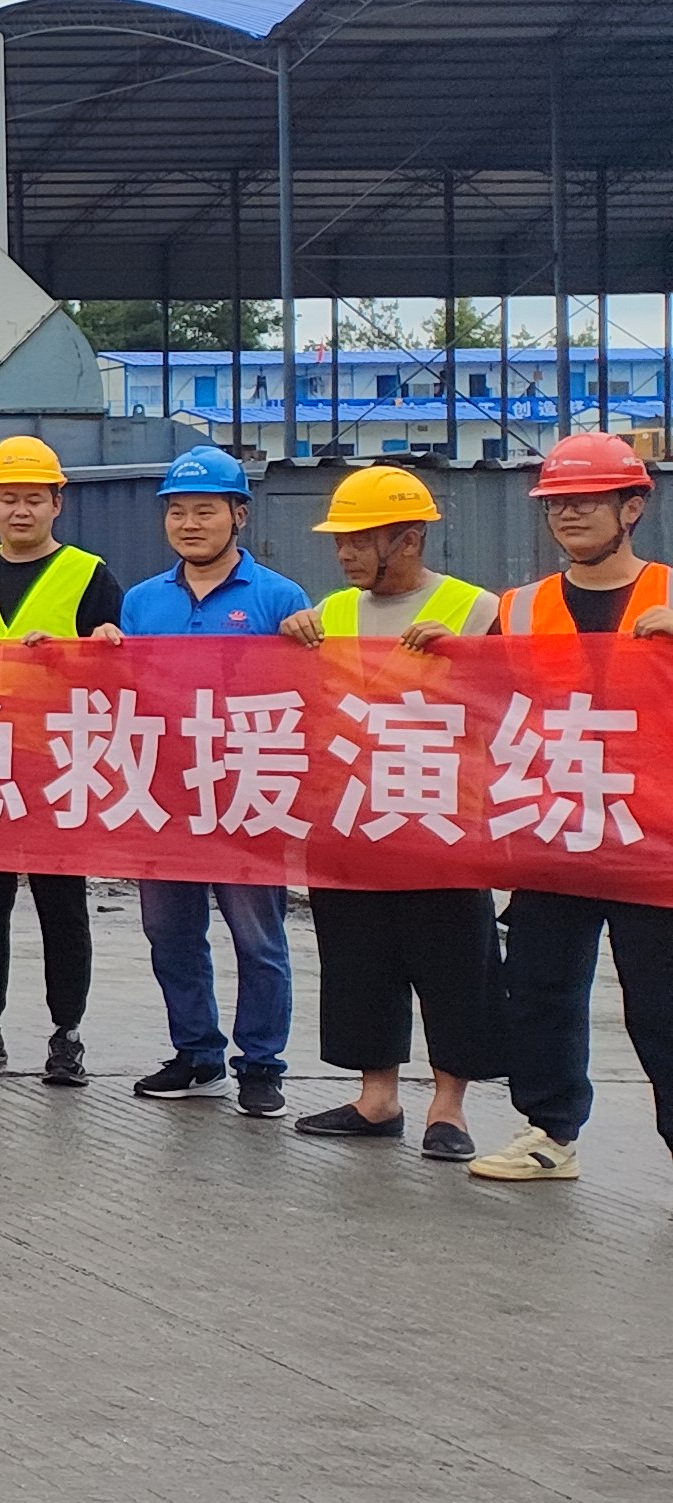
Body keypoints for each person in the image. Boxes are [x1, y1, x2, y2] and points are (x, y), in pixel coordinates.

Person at [276, 463, 499, 1161]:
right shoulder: (330, 614)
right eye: (339, 542)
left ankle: (448, 1108)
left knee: (453, 964)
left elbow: (512, 704)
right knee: (359, 958)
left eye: (358, 541)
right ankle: (377, 1099)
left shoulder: (476, 611)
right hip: (351, 819)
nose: (343, 554)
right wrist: (289, 639)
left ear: (407, 539)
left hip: (442, 820)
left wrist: (468, 658)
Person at [474, 433, 673, 1185]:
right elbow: (479, 703)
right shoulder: (519, 609)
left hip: (655, 840)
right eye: (557, 503)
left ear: (633, 506)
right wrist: (437, 654)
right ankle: (548, 1132)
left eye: (587, 501)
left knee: (662, 1006)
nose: (569, 515)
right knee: (540, 989)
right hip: (556, 829)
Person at [117, 443, 309, 1118]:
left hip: (247, 791)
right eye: (178, 512)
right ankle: (196, 1054)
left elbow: (306, 694)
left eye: (206, 510)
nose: (190, 524)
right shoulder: (142, 602)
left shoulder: (279, 598)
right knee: (170, 934)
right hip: (166, 793)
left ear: (239, 516)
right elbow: (124, 691)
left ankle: (261, 1064)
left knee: (257, 939)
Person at [0, 434, 125, 1088]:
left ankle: (66, 1032)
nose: (21, 510)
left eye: (34, 499)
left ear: (56, 504)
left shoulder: (91, 575)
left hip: (56, 765)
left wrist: (88, 650)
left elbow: (118, 671)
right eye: (8, 498)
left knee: (60, 904)